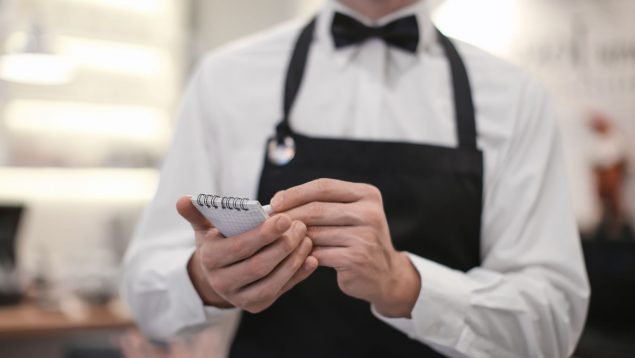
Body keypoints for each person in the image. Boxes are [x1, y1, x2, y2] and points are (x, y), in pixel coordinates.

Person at [123, 0, 590, 356]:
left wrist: (406, 285)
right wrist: (205, 282)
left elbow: (554, 322)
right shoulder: (225, 79)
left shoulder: (515, 98)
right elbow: (145, 294)